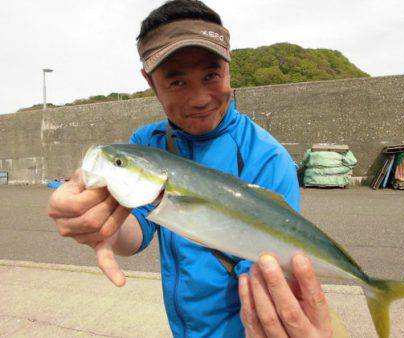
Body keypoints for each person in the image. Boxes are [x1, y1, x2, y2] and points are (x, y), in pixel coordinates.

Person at [48, 1, 332, 337]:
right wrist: (103, 229)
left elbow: (265, 271)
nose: (199, 98)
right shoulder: (147, 143)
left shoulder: (266, 157)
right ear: (150, 82)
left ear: (229, 67)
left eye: (212, 75)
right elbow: (137, 227)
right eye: (177, 82)